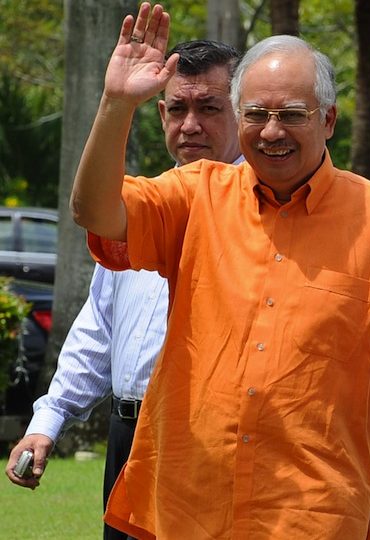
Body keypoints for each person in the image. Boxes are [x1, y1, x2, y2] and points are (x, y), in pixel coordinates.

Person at [68, 4, 370, 539]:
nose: (271, 132)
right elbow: (95, 211)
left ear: (329, 120)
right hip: (190, 506)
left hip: (312, 514)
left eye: (292, 114)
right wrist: (117, 103)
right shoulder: (196, 194)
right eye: (255, 114)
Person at [4, 39, 242, 540]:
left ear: (242, 110)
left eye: (210, 108)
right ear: (159, 114)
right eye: (178, 108)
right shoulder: (140, 207)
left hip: (210, 442)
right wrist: (48, 420)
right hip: (128, 435)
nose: (191, 124)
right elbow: (98, 328)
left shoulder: (264, 214)